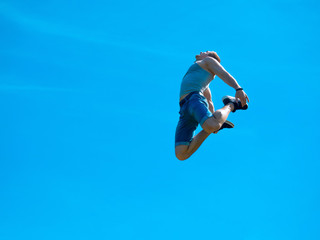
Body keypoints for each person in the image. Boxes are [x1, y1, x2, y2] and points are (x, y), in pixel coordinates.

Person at [175, 51, 250, 160]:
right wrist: (216, 124)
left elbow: (223, 73)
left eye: (206, 52)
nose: (202, 52)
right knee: (182, 154)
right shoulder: (203, 82)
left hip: (194, 99)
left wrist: (238, 88)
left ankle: (231, 104)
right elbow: (209, 101)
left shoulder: (208, 61)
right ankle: (216, 124)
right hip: (184, 109)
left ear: (209, 57)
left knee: (212, 125)